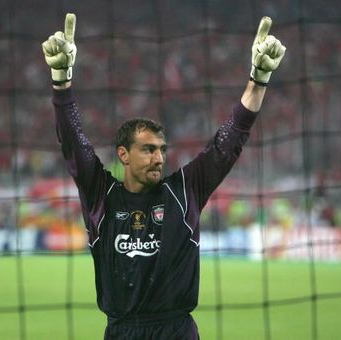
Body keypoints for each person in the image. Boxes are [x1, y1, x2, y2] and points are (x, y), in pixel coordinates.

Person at [42, 13, 285, 340]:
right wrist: (61, 81)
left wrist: (259, 79)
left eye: (161, 149)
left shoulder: (185, 189)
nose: (159, 157)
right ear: (123, 155)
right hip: (121, 331)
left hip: (176, 331)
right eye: (148, 150)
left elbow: (229, 141)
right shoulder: (102, 195)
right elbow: (74, 144)